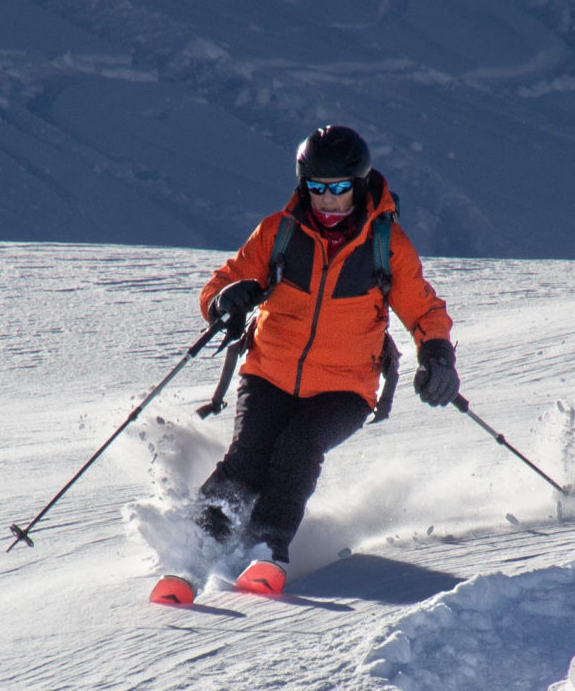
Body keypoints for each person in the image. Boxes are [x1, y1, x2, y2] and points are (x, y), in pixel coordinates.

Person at [191, 124, 458, 597]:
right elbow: (222, 283)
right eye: (317, 188)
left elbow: (423, 309)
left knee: (296, 450)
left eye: (338, 189)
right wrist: (225, 304)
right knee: (248, 457)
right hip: (269, 371)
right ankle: (196, 543)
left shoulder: (386, 245)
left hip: (345, 386)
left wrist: (436, 354)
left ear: (357, 186)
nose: (328, 200)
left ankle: (265, 549)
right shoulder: (279, 233)